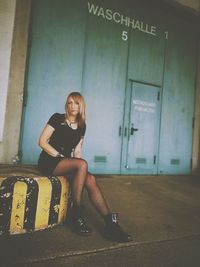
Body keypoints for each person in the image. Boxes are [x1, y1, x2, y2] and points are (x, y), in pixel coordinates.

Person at [38, 91, 132, 243]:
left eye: (76, 103)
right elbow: (42, 141)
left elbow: (77, 151)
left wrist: (79, 171)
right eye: (69, 103)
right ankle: (75, 214)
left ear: (81, 105)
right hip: (49, 160)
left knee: (90, 178)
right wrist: (59, 156)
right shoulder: (57, 118)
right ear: (66, 105)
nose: (72, 106)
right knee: (82, 165)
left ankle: (110, 224)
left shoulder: (82, 126)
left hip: (67, 162)